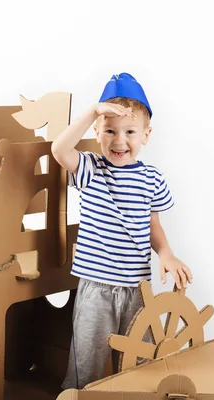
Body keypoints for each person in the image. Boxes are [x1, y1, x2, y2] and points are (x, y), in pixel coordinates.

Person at [51, 72, 192, 390]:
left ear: (146, 134)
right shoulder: (90, 168)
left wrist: (166, 253)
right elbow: (59, 149)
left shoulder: (152, 178)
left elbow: (153, 223)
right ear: (97, 131)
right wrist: (92, 112)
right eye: (110, 130)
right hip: (96, 288)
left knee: (137, 365)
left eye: (130, 131)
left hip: (137, 290)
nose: (119, 140)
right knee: (85, 364)